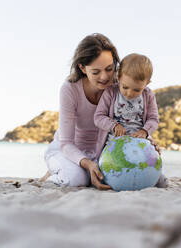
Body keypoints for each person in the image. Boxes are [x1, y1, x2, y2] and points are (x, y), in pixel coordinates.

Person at [40, 33, 119, 190]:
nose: (104, 77)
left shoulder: (119, 86)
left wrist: (146, 139)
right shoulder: (70, 89)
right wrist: (88, 164)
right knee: (76, 179)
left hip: (100, 152)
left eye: (109, 69)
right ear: (82, 68)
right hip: (68, 150)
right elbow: (66, 143)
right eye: (96, 72)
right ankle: (54, 172)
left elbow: (133, 117)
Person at [93, 53, 168, 188]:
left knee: (162, 183)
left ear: (147, 83)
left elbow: (154, 119)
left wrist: (145, 131)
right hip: (113, 144)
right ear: (118, 77)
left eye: (137, 90)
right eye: (125, 87)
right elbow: (98, 117)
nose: (129, 93)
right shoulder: (111, 92)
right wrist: (114, 125)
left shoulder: (148, 95)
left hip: (140, 145)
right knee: (103, 178)